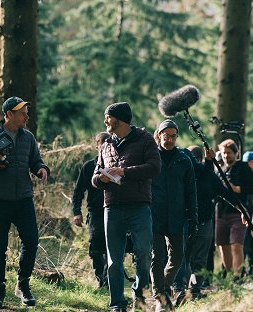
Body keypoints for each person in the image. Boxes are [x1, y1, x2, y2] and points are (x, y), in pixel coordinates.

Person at [0, 96, 50, 308]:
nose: (27, 116)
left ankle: (22, 285)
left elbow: (35, 161)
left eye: (26, 112)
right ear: (9, 115)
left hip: (24, 197)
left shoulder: (28, 137)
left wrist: (42, 169)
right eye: (22, 113)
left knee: (32, 241)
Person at [91, 102, 161, 312]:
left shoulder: (145, 139)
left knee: (144, 253)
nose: (105, 121)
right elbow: (94, 177)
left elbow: (155, 167)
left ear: (119, 119)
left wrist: (124, 172)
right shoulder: (105, 145)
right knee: (114, 260)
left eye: (108, 117)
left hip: (139, 206)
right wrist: (101, 179)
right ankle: (117, 304)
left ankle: (139, 294)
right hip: (112, 207)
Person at [173, 146, 234, 304]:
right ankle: (190, 288)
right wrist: (240, 206)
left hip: (193, 220)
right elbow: (224, 192)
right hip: (198, 221)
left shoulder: (187, 173)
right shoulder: (203, 174)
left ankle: (185, 289)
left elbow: (222, 192)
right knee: (195, 257)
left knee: (185, 257)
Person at [150, 120, 197, 311]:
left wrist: (193, 216)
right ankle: (160, 297)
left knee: (177, 255)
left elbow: (191, 191)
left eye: (173, 135)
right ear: (159, 135)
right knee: (157, 256)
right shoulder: (151, 157)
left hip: (177, 216)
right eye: (166, 135)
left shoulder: (184, 159)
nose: (169, 139)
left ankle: (164, 286)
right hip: (154, 214)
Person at [214, 139, 253, 277]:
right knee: (223, 245)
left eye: (229, 153)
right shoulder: (221, 170)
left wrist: (238, 189)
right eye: (224, 153)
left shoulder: (244, 168)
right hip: (221, 213)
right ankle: (228, 276)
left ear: (236, 153)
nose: (226, 156)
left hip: (238, 213)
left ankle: (237, 276)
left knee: (236, 245)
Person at [72, 132, 111, 288]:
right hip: (95, 213)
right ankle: (101, 280)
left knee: (113, 248)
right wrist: (76, 212)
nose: (105, 146)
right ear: (97, 145)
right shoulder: (89, 167)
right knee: (95, 249)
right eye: (102, 143)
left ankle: (109, 282)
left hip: (115, 212)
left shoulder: (116, 165)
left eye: (108, 143)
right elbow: (78, 192)